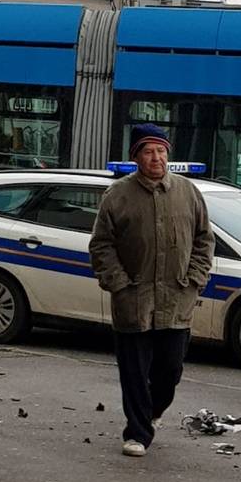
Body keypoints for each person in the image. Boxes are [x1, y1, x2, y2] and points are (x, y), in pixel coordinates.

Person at [89, 124, 215, 457]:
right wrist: (118, 283)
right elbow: (101, 244)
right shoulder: (117, 195)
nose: (156, 158)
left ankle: (153, 411)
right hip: (133, 300)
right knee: (133, 371)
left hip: (177, 300)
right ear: (136, 158)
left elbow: (205, 240)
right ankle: (137, 433)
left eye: (161, 151)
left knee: (170, 369)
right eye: (148, 151)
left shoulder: (188, 192)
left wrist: (196, 278)